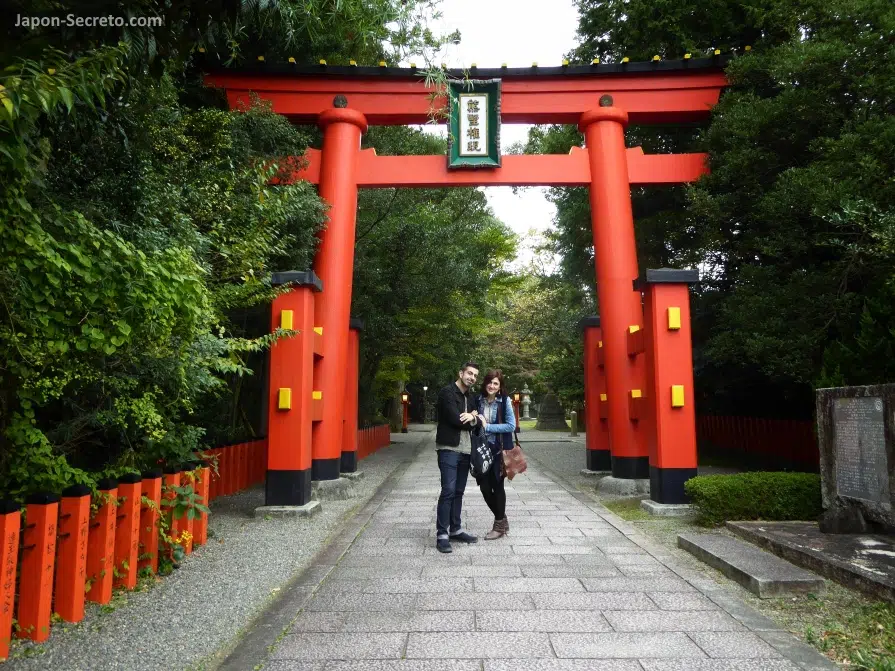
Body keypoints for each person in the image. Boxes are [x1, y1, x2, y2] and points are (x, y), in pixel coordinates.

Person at [433, 361, 486, 553]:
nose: (472, 377)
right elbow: (455, 419)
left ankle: (455, 529)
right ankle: (442, 534)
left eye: (475, 375)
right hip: (448, 447)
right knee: (448, 490)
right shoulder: (447, 392)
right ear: (461, 373)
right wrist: (471, 418)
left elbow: (479, 421)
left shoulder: (471, 397)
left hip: (466, 450)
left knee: (459, 491)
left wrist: (473, 417)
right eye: (469, 373)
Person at [474, 369, 516, 540]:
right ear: (485, 384)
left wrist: (487, 426)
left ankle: (498, 525)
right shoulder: (477, 400)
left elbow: (511, 425)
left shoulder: (504, 401)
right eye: (490, 382)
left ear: (500, 387)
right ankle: (502, 519)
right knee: (484, 487)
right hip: (481, 449)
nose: (492, 385)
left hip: (499, 450)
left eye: (496, 383)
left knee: (498, 486)